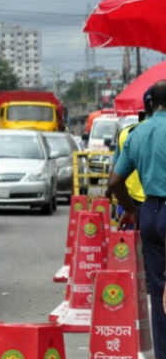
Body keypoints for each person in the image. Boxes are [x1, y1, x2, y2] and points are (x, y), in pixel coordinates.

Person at [109, 80, 166, 358]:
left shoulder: (137, 133)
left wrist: (130, 209)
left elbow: (115, 181)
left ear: (152, 105)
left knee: (158, 291)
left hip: (150, 216)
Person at [109, 87, 154, 229]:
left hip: (129, 204)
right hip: (158, 205)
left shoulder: (126, 133)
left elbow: (115, 172)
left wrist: (117, 201)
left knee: (129, 249)